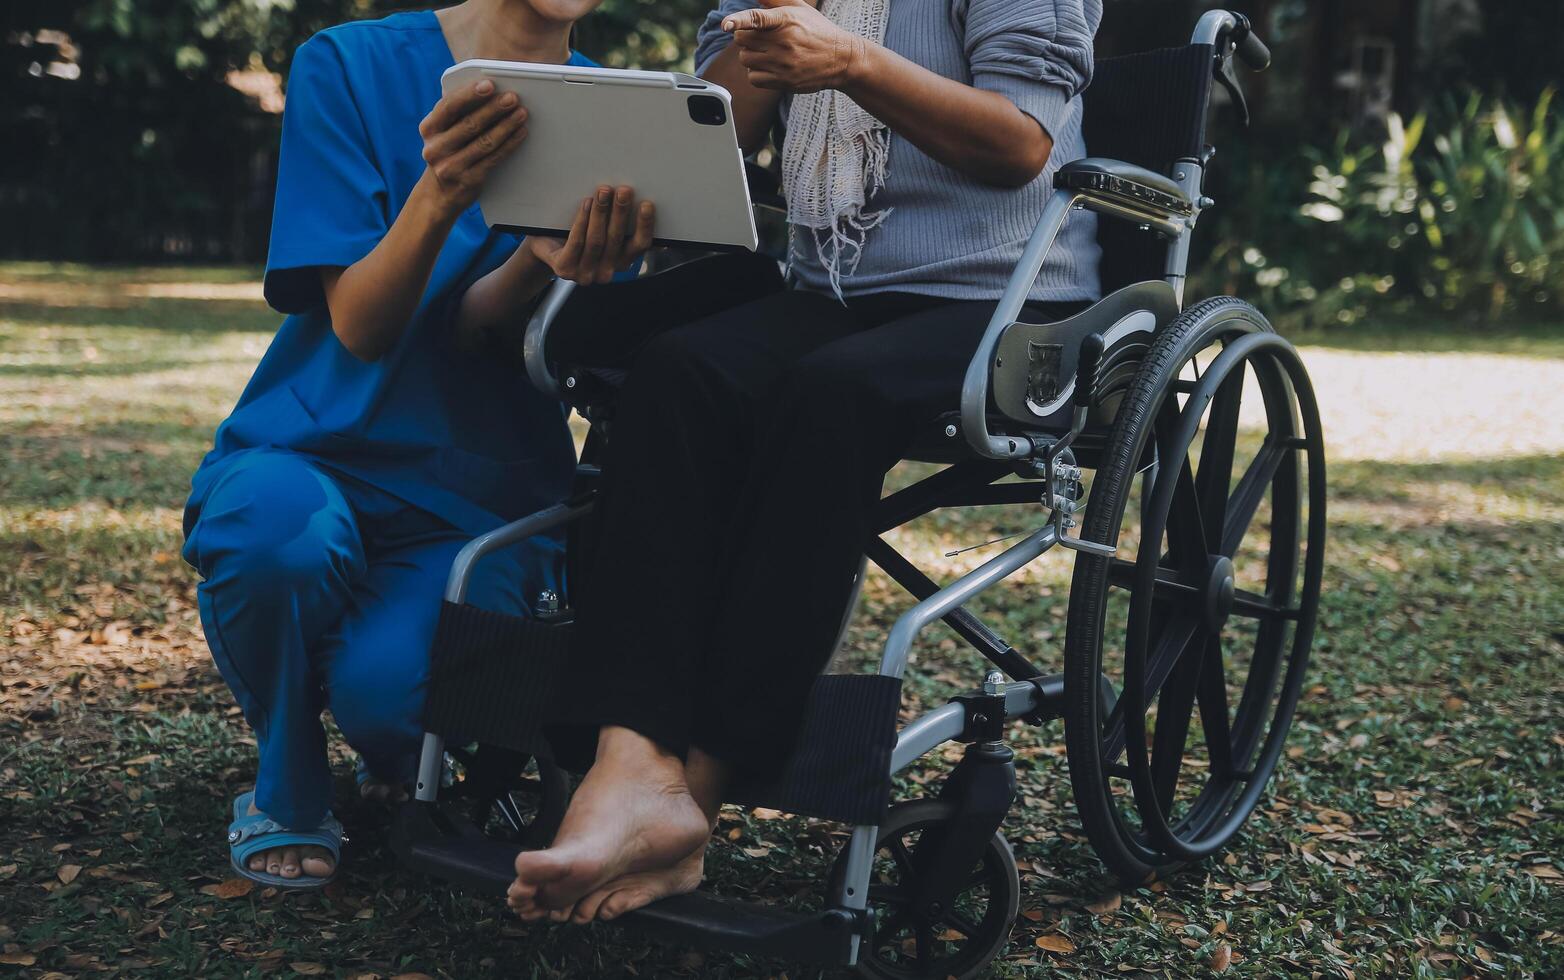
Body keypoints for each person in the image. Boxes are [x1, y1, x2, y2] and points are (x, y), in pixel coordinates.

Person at [507, 0, 1103, 925]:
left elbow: (1021, 145)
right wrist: (764, 44)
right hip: (834, 286)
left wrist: (853, 62)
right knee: (678, 370)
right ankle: (627, 761)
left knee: (830, 395)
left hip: (1009, 301)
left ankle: (691, 796)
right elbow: (718, 138)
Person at [184, 0, 656, 889]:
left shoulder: (622, 117)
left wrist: (537, 264)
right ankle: (286, 775)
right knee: (273, 537)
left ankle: (358, 680)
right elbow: (362, 326)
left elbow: (476, 332)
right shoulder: (349, 64)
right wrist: (440, 193)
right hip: (312, 452)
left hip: (476, 490)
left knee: (393, 708)